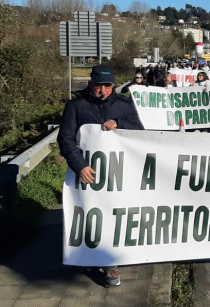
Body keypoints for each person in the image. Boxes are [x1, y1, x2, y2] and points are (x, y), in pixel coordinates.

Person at [57, 64, 144, 287]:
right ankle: (89, 256)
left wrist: (121, 124)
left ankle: (111, 265)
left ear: (113, 86)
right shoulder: (76, 106)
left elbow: (142, 131)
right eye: (99, 85)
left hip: (118, 175)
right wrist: (80, 166)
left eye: (108, 86)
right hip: (86, 174)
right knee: (90, 217)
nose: (103, 90)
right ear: (91, 84)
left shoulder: (125, 106)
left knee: (113, 217)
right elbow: (65, 138)